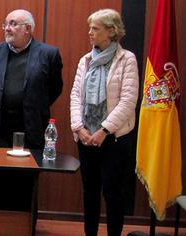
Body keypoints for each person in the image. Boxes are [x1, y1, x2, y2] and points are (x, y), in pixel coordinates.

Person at [70, 9, 139, 236]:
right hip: (86, 137)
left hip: (114, 139)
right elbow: (75, 96)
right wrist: (78, 128)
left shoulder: (126, 59)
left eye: (95, 28)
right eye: (90, 28)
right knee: (90, 191)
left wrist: (104, 130)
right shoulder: (86, 60)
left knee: (112, 192)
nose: (90, 32)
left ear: (111, 31)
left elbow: (128, 101)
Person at [0, 9, 63, 150]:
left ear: (28, 28)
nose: (7, 28)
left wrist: (32, 104)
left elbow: (55, 89)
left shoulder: (49, 54)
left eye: (13, 24)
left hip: (31, 128)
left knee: (27, 171)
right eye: (5, 24)